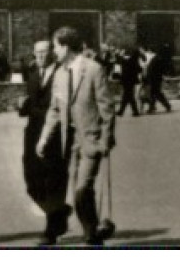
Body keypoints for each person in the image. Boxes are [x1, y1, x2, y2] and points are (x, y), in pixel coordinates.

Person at [38, 27, 118, 247]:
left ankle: (91, 233)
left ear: (65, 46)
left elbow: (107, 108)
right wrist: (44, 138)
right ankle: (91, 233)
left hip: (91, 140)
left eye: (55, 46)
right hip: (69, 142)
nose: (54, 51)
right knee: (77, 191)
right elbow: (55, 109)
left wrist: (106, 140)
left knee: (83, 188)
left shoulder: (93, 69)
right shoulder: (60, 73)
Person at [19, 41, 71, 245]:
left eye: (44, 52)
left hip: (54, 134)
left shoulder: (62, 73)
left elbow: (58, 107)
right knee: (31, 179)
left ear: (51, 53)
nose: (40, 56)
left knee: (52, 181)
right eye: (37, 52)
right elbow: (32, 101)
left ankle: (50, 231)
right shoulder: (32, 74)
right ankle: (60, 211)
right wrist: (23, 106)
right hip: (32, 132)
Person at [143, 45, 174, 114]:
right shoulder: (160, 59)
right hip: (156, 77)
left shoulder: (157, 58)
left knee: (155, 92)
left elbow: (152, 69)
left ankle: (154, 107)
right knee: (156, 92)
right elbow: (162, 69)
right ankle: (156, 106)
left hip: (153, 77)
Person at [116, 47, 142, 118]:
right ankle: (132, 111)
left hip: (125, 80)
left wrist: (119, 55)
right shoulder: (134, 60)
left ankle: (122, 111)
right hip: (131, 81)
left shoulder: (127, 60)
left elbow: (121, 61)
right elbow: (140, 69)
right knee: (128, 96)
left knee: (127, 95)